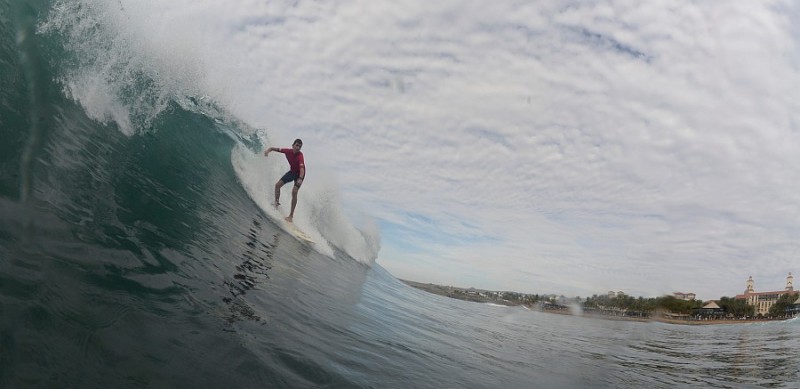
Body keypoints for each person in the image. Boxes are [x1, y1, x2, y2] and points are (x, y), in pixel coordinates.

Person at [264, 139, 305, 222]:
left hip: (300, 175)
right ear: (293, 145)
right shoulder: (287, 151)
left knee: (294, 192)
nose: (298, 148)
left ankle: (291, 216)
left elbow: (302, 169)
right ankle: (276, 203)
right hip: (292, 172)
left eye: (299, 147)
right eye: (296, 145)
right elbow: (273, 148)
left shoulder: (300, 156)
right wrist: (268, 151)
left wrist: (300, 179)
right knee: (277, 185)